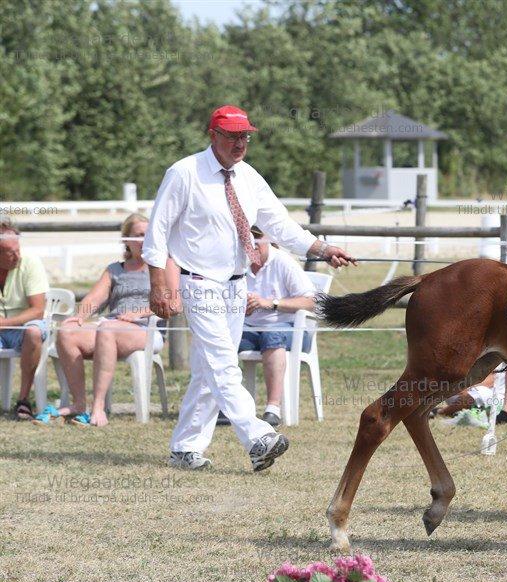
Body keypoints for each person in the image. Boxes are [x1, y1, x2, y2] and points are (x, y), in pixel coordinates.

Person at [142, 105, 355, 472]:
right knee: (224, 365)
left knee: (209, 369)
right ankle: (258, 437)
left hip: (236, 286)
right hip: (198, 282)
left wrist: (321, 248)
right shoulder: (184, 173)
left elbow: (280, 224)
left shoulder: (249, 178)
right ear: (214, 136)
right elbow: (157, 231)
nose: (241, 143)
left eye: (246, 136)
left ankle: (185, 447)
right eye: (233, 136)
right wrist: (159, 283)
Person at [34, 214, 167, 426]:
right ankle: (79, 404)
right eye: (138, 235)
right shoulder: (115, 269)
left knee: (107, 329)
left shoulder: (161, 267)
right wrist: (79, 317)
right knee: (67, 333)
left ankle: (98, 409)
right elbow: (95, 298)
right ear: (126, 240)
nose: (144, 240)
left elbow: (170, 301)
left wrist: (138, 313)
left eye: (148, 235)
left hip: (145, 329)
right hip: (112, 327)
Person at [229, 225, 317, 427]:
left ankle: (273, 408)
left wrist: (272, 303)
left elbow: (313, 302)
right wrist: (240, 309)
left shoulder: (284, 262)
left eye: (257, 239)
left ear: (268, 239)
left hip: (290, 329)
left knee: (272, 335)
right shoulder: (236, 264)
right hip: (248, 328)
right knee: (221, 341)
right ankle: (227, 407)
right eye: (247, 240)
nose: (252, 244)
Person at [0, 215, 50, 419]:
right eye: (10, 252)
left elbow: (38, 310)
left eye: (17, 249)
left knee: (34, 331)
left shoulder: (30, 262)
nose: (17, 255)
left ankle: (23, 401)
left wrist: (3, 324)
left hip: (23, 327)